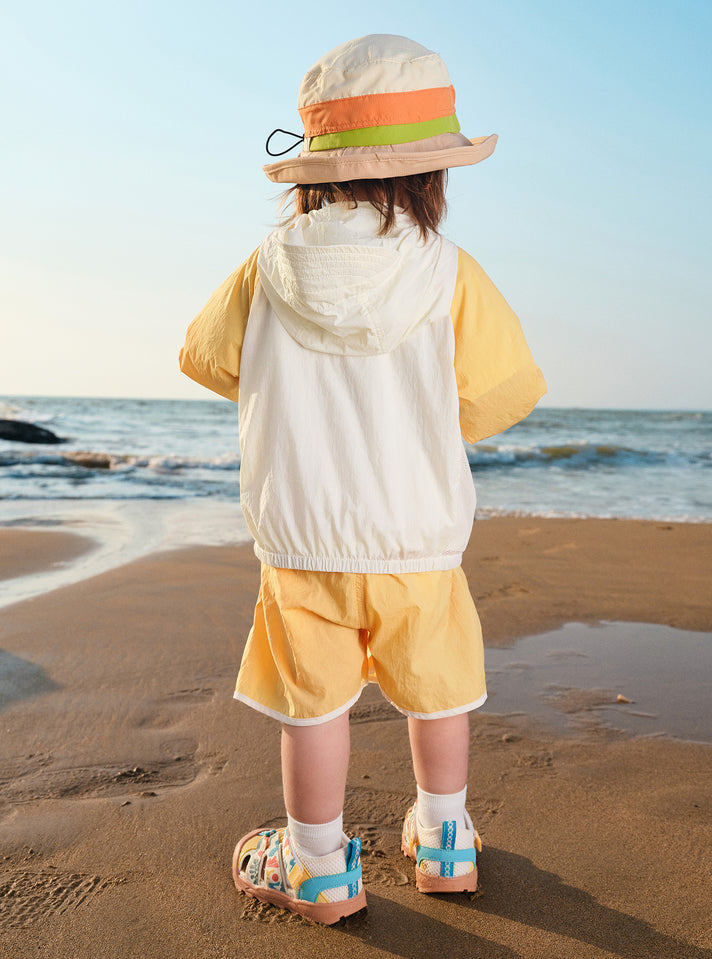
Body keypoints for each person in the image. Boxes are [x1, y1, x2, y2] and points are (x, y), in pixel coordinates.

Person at [180, 33, 546, 924]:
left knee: (313, 705)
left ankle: (315, 866)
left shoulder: (266, 268)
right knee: (439, 687)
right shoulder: (448, 271)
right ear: (432, 176)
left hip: (304, 538)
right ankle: (446, 841)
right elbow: (501, 394)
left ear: (314, 170)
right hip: (419, 534)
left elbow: (209, 358)